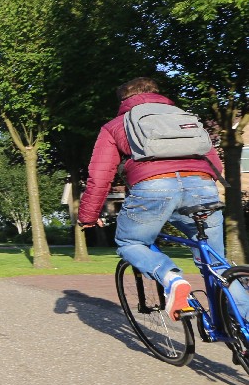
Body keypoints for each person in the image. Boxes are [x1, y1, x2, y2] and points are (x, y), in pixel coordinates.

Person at [78, 77, 226, 321]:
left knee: (130, 242)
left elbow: (100, 175)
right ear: (158, 94)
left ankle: (171, 278)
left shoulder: (116, 125)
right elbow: (214, 163)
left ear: (123, 100)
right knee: (217, 263)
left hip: (153, 187)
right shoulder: (185, 117)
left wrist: (88, 216)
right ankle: (240, 326)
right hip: (202, 186)